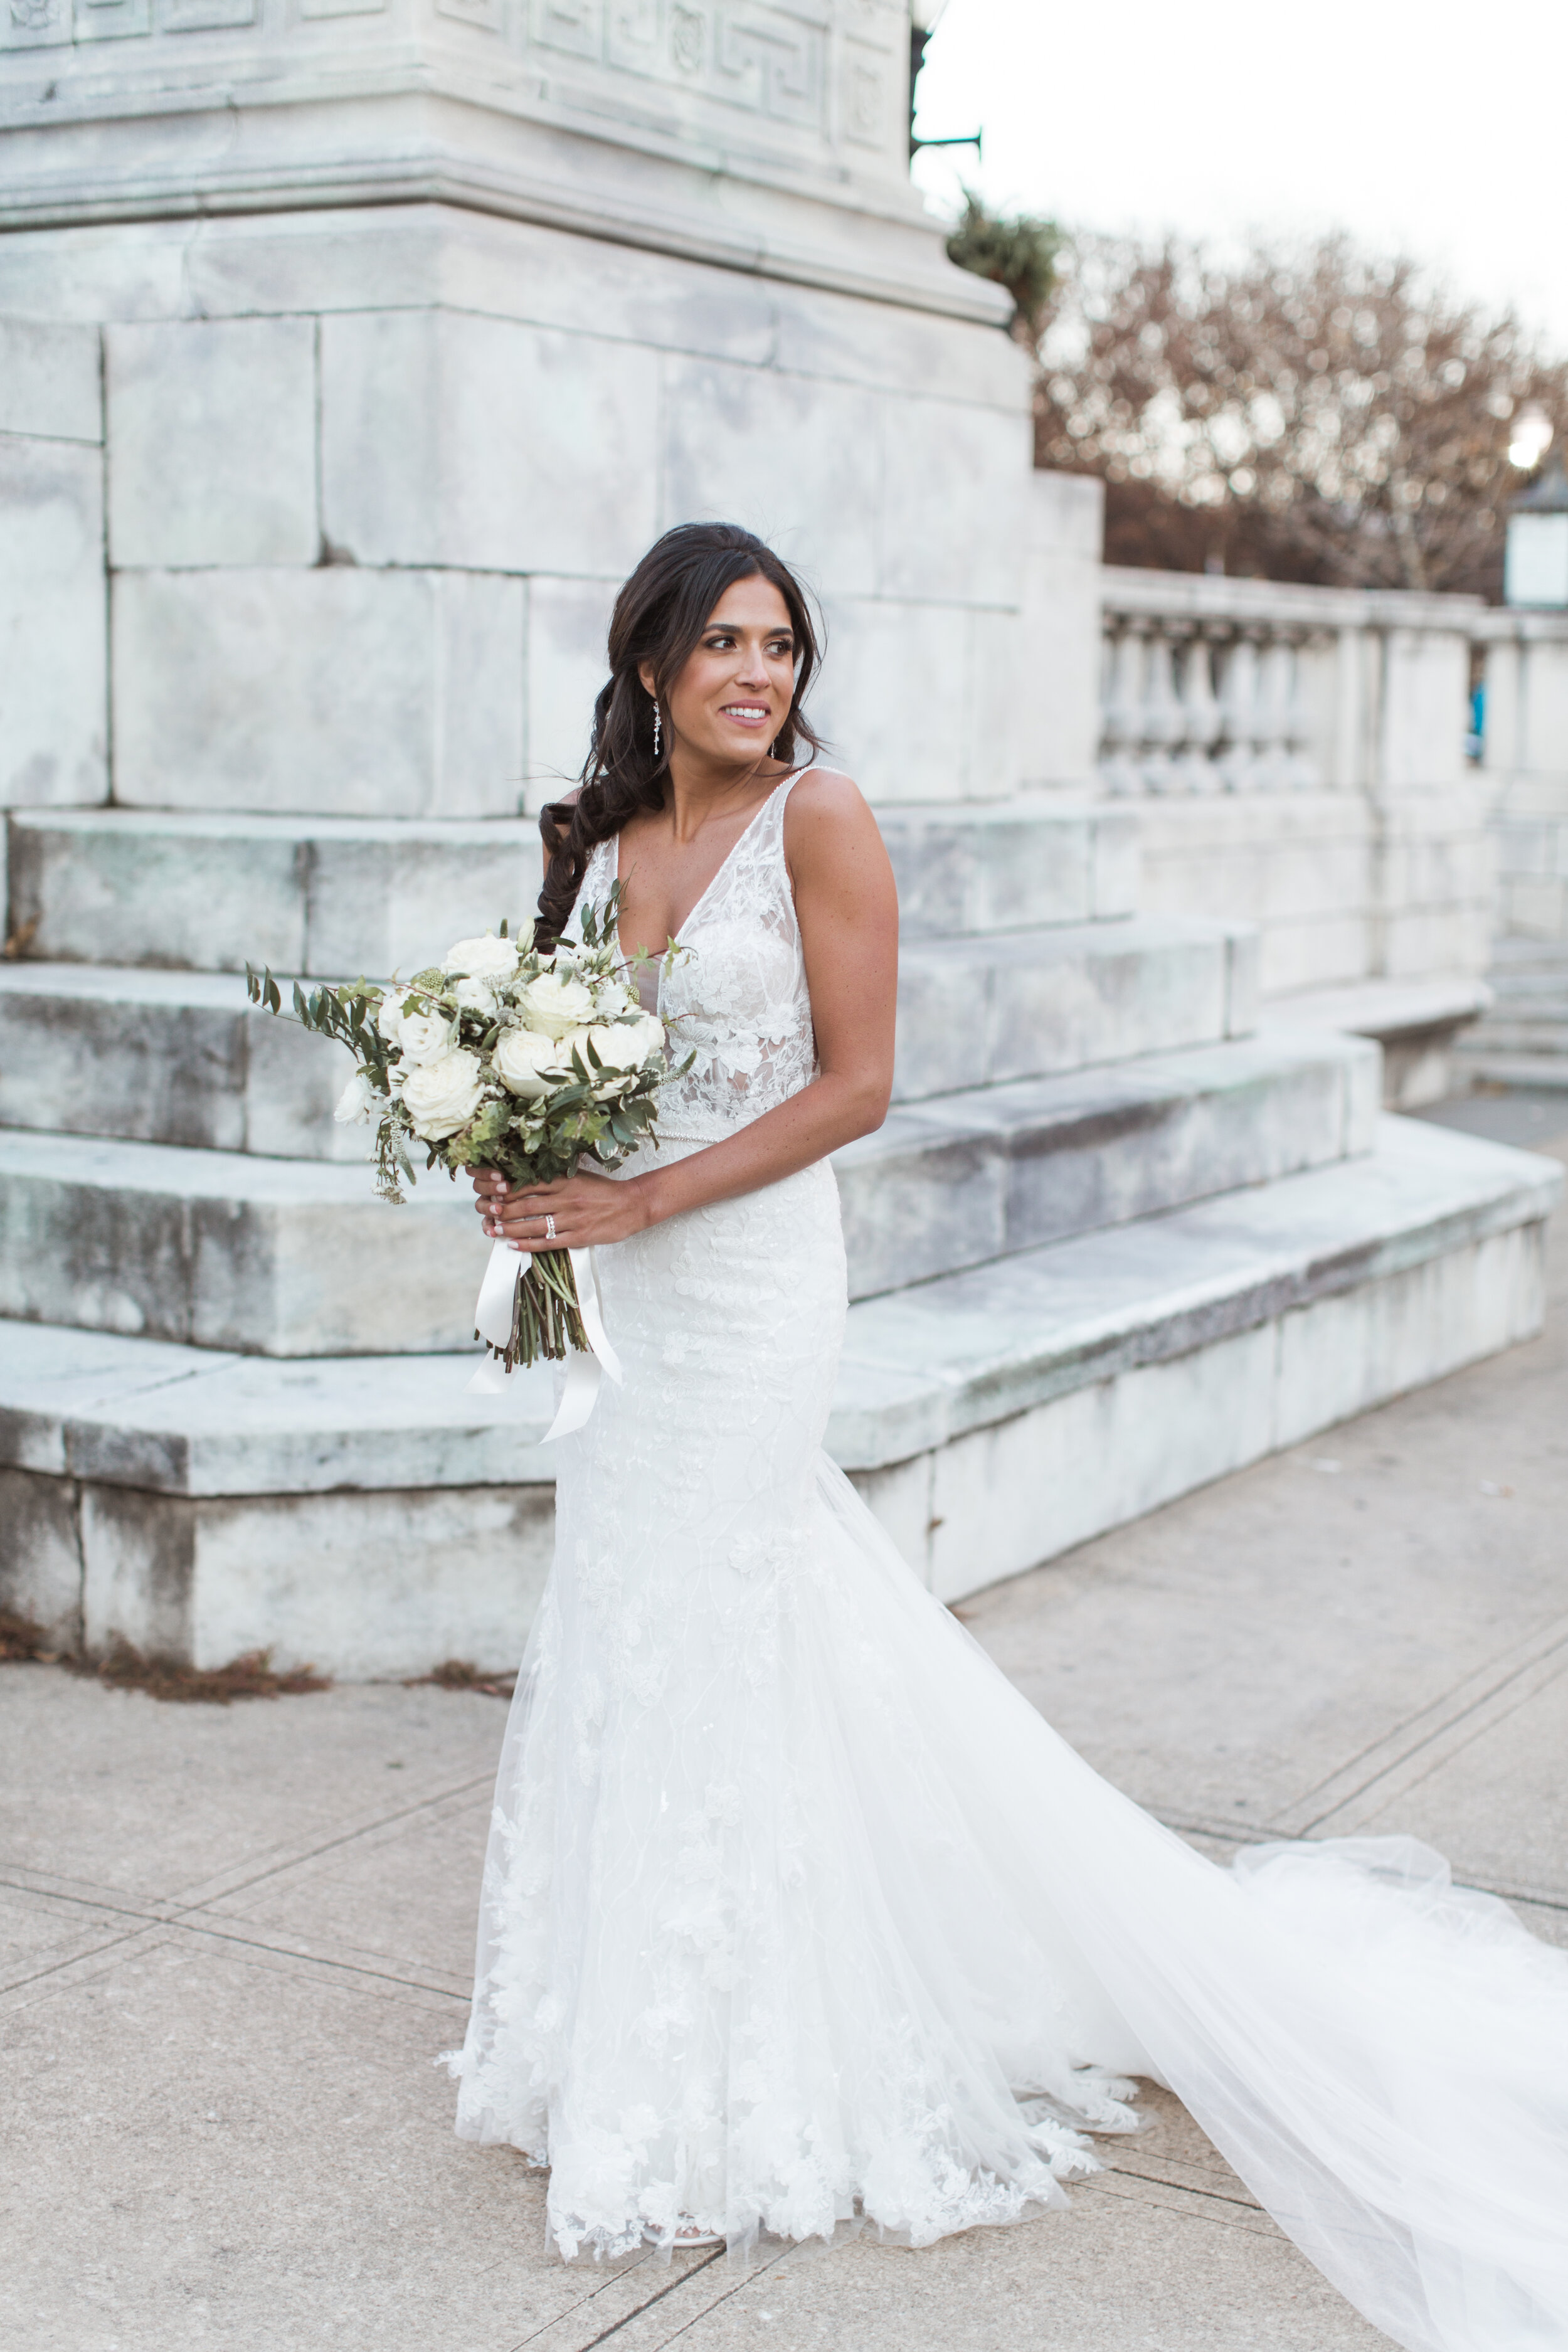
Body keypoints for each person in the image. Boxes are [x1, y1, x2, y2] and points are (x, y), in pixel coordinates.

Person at [446, 523, 1568, 2348]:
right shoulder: (595, 840)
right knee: (636, 1618)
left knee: (726, 1610)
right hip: (631, 1306)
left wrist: (647, 1208)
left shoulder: (819, 817)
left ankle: (753, 2054)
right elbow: (568, 1062)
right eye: (722, 643)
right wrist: (524, 1162)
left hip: (743, 1293)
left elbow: (856, 1087)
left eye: (781, 645)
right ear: (647, 664)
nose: (756, 674)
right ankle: (620, 2015)